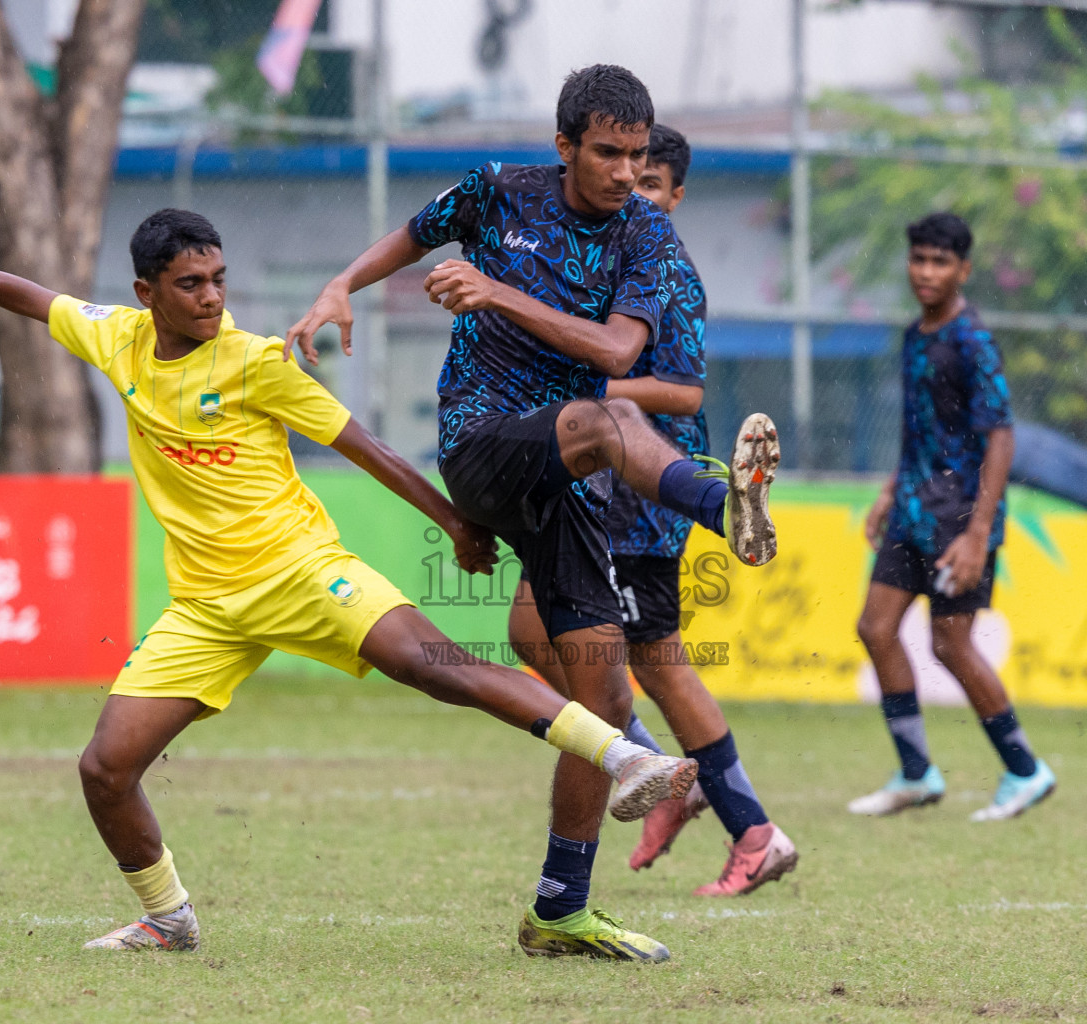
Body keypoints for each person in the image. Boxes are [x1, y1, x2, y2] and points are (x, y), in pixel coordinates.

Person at [0, 210, 701, 956]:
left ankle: (626, 756)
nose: (212, 297)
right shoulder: (114, 336)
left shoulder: (258, 362)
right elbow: (26, 294)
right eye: (191, 284)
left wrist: (456, 524)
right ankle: (166, 919)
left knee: (434, 665)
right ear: (148, 293)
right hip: (207, 608)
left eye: (218, 279)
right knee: (105, 769)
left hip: (303, 574)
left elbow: (366, 447)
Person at [284, 65, 780, 960]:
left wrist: (498, 292)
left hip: (567, 478)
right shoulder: (498, 192)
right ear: (564, 147)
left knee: (602, 701)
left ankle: (559, 910)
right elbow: (410, 234)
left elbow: (618, 347)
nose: (627, 171)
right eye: (608, 153)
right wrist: (337, 289)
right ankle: (721, 504)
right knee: (608, 418)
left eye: (637, 154)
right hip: (481, 446)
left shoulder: (648, 238)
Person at [507, 124, 796, 896]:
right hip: (589, 489)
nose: (633, 192)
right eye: (624, 177)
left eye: (650, 184)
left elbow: (684, 392)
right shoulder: (599, 260)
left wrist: (591, 388)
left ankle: (752, 829)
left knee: (657, 662)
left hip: (641, 502)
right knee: (531, 631)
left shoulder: (667, 272)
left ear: (674, 194)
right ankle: (659, 768)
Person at [849, 211, 1056, 822]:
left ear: (963, 270)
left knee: (951, 644)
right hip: (912, 510)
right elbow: (925, 430)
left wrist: (975, 534)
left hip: (956, 521)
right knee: (875, 628)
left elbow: (1000, 438)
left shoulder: (972, 339)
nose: (926, 271)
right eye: (919, 258)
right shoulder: (916, 334)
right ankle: (916, 773)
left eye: (941, 261)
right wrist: (890, 490)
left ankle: (1025, 769)